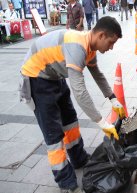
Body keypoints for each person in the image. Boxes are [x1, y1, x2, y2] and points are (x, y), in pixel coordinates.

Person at [19, 16, 125, 193]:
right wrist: (101, 122)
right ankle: (66, 182)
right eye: (111, 42)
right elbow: (80, 92)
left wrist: (113, 98)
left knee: (70, 121)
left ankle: (79, 159)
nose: (111, 47)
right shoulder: (78, 47)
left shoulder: (90, 47)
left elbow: (97, 74)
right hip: (36, 78)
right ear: (101, 35)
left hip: (54, 75)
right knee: (53, 134)